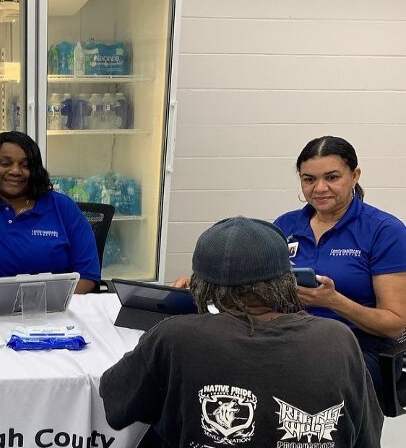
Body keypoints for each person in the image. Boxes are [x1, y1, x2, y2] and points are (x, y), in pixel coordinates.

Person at [100, 217, 383, 447]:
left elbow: (116, 403)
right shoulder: (338, 339)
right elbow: (367, 436)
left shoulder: (175, 337)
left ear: (199, 284)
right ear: (289, 280)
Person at [273, 136, 406, 393]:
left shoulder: (384, 231)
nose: (319, 188)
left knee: (311, 379)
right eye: (309, 179)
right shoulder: (285, 225)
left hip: (359, 347)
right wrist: (202, 285)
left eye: (332, 177)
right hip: (290, 337)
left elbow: (395, 323)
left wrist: (334, 301)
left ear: (354, 176)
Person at [0, 131, 100, 295]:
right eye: (5, 163)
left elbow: (87, 275)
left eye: (25, 165)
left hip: (55, 312)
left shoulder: (63, 207)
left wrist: (52, 307)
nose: (15, 171)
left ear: (35, 170)